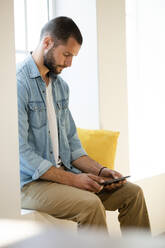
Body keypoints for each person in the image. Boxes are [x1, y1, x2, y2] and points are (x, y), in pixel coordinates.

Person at [17, 16, 150, 233]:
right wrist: (73, 180)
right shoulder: (18, 84)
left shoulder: (61, 87)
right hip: (29, 183)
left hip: (64, 173)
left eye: (73, 56)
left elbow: (73, 147)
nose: (69, 63)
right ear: (47, 42)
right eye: (67, 54)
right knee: (90, 206)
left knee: (133, 193)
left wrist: (102, 170)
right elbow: (22, 154)